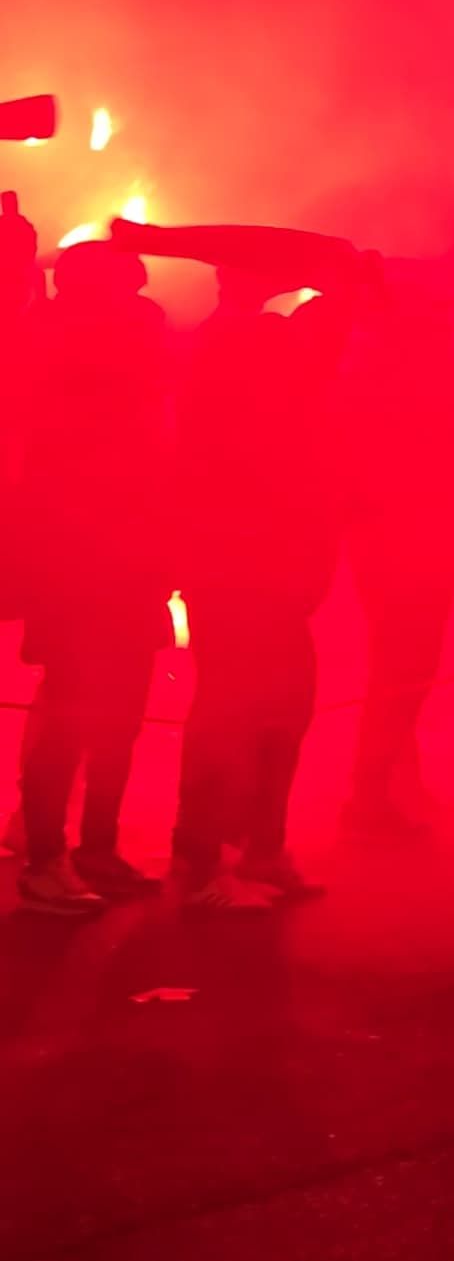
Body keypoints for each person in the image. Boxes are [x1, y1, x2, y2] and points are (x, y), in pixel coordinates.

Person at [165, 246, 368, 910]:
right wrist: (332, 281)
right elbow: (324, 334)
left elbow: (326, 335)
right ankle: (207, 862)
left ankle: (254, 848)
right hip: (241, 561)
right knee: (235, 709)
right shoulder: (239, 345)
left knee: (279, 705)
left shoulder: (246, 345)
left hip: (264, 562)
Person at [9, 241, 176, 915]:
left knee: (119, 710)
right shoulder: (51, 350)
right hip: (75, 558)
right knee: (76, 708)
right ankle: (48, 855)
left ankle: (94, 848)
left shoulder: (119, 354)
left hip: (125, 555)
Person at [344, 290, 454, 840]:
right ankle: (371, 797)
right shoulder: (401, 391)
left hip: (415, 545)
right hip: (406, 548)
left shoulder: (395, 386)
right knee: (401, 670)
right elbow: (415, 468)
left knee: (406, 670)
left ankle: (391, 788)